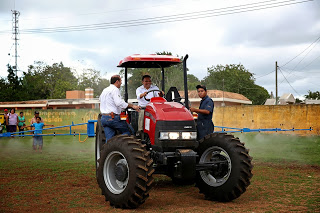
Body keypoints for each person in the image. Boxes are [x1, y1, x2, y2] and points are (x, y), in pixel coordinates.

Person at [99, 75, 140, 142]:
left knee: (109, 140)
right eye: (120, 81)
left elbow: (100, 101)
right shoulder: (115, 89)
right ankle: (124, 149)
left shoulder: (105, 90)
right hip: (113, 118)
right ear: (117, 81)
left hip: (104, 118)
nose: (121, 83)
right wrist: (133, 106)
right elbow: (119, 103)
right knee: (130, 132)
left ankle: (110, 150)